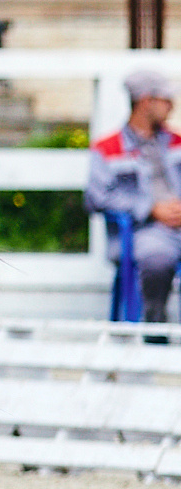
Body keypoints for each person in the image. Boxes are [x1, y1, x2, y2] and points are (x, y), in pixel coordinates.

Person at [87, 69, 181, 322]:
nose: (172, 106)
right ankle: (155, 328)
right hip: (141, 232)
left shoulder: (177, 141)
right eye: (166, 100)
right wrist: (150, 208)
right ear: (146, 101)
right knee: (157, 260)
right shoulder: (108, 147)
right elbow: (96, 198)